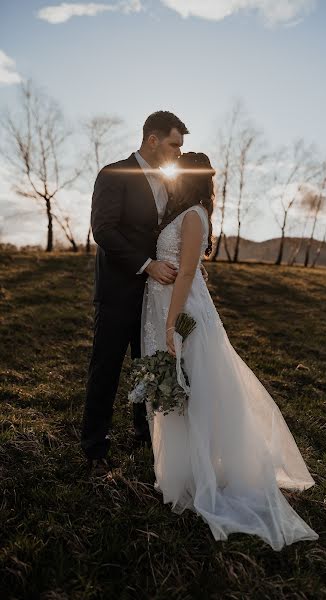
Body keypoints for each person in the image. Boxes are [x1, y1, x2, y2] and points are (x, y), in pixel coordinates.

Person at [141, 151, 319, 549]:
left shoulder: (193, 215)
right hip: (167, 304)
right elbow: (187, 264)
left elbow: (186, 271)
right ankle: (183, 470)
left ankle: (199, 473)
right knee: (179, 388)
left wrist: (171, 324)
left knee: (193, 387)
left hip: (181, 311)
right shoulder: (187, 212)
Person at [81, 111, 195, 476]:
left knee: (146, 366)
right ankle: (94, 447)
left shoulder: (169, 182)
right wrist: (147, 264)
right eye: (175, 144)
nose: (179, 152)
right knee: (106, 369)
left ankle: (143, 431)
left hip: (153, 296)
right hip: (117, 291)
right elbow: (104, 230)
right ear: (152, 140)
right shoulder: (114, 174)